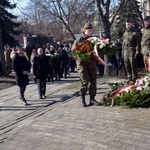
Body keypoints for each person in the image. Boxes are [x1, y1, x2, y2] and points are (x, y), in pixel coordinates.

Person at [71, 22, 99, 107]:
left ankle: (92, 99)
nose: (89, 31)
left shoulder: (94, 40)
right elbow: (73, 52)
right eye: (88, 30)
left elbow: (98, 50)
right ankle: (82, 98)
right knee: (85, 81)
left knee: (93, 81)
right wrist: (80, 57)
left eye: (91, 30)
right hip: (82, 64)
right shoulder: (79, 40)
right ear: (84, 31)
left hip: (92, 63)